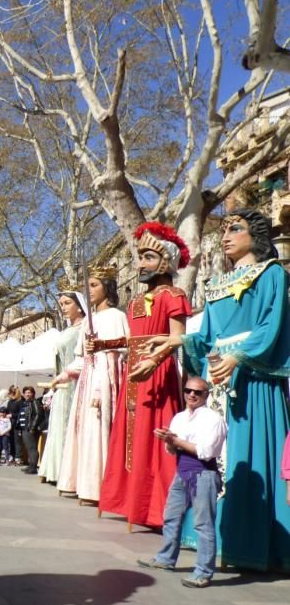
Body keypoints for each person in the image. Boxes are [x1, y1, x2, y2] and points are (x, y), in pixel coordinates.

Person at [148, 209, 290, 572]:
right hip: (220, 379)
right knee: (215, 461)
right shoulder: (215, 284)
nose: (226, 236)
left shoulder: (273, 274)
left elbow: (271, 324)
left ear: (255, 236)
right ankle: (213, 541)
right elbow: (207, 336)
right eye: (224, 229)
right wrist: (172, 343)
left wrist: (239, 356)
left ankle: (251, 544)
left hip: (252, 381)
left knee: (246, 457)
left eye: (235, 229)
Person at [96, 223, 191, 530]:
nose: (140, 264)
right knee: (128, 438)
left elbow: (178, 338)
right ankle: (127, 501)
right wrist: (102, 344)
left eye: (148, 257)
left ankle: (154, 507)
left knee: (153, 437)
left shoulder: (173, 295)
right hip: (133, 376)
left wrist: (155, 358)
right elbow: (131, 340)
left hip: (157, 374)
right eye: (140, 257)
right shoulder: (136, 302)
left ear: (165, 261)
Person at [138, 377, 227, 588]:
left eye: (198, 392)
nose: (192, 395)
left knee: (203, 524)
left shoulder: (213, 419)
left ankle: (203, 572)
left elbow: (206, 452)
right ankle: (165, 559)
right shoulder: (179, 417)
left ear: (206, 395)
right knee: (171, 516)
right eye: (188, 391)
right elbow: (172, 450)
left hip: (203, 474)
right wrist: (169, 440)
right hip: (182, 473)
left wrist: (176, 441)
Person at [57, 267, 129, 503]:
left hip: (106, 380)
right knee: (83, 430)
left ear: (107, 288)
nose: (90, 291)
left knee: (98, 431)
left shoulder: (116, 317)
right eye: (88, 286)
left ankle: (98, 488)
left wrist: (100, 387)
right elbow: (81, 359)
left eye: (94, 285)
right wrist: (65, 374)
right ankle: (80, 483)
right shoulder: (90, 320)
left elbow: (124, 348)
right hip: (87, 380)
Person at [38, 287, 87, 484]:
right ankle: (55, 470)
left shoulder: (84, 328)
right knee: (58, 425)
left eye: (68, 303)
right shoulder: (67, 330)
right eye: (61, 305)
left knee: (71, 425)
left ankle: (69, 474)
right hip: (62, 385)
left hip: (76, 383)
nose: (64, 308)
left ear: (79, 306)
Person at [16, 386, 44, 475]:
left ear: (33, 394)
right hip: (25, 428)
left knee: (32, 448)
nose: (27, 394)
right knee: (29, 448)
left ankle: (33, 467)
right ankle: (31, 465)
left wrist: (32, 427)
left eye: (29, 392)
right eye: (26, 392)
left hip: (30, 429)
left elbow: (38, 415)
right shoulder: (26, 403)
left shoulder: (34, 402)